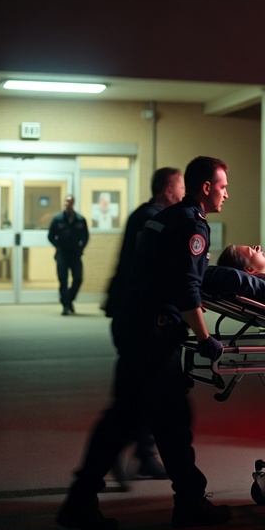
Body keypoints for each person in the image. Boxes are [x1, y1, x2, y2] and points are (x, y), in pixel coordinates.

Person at [57, 156, 232, 530]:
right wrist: (205, 339)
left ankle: (84, 499)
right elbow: (187, 287)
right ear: (206, 187)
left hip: (134, 325)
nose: (226, 194)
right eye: (222, 187)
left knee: (130, 417)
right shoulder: (191, 224)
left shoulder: (164, 217)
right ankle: (186, 502)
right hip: (153, 334)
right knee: (165, 418)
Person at [103, 166, 185, 485]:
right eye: (179, 188)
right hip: (141, 320)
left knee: (144, 392)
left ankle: (145, 455)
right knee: (140, 394)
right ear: (167, 189)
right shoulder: (154, 220)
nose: (182, 194)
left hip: (135, 316)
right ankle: (114, 456)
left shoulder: (144, 216)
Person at [48, 195, 89, 315]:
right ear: (63, 203)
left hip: (75, 254)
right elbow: (50, 236)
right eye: (66, 202)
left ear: (73, 204)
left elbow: (85, 236)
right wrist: (57, 245)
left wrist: (81, 247)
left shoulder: (80, 219)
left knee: (78, 278)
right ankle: (66, 306)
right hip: (62, 254)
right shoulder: (57, 219)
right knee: (63, 279)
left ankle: (68, 299)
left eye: (70, 202)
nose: (68, 204)